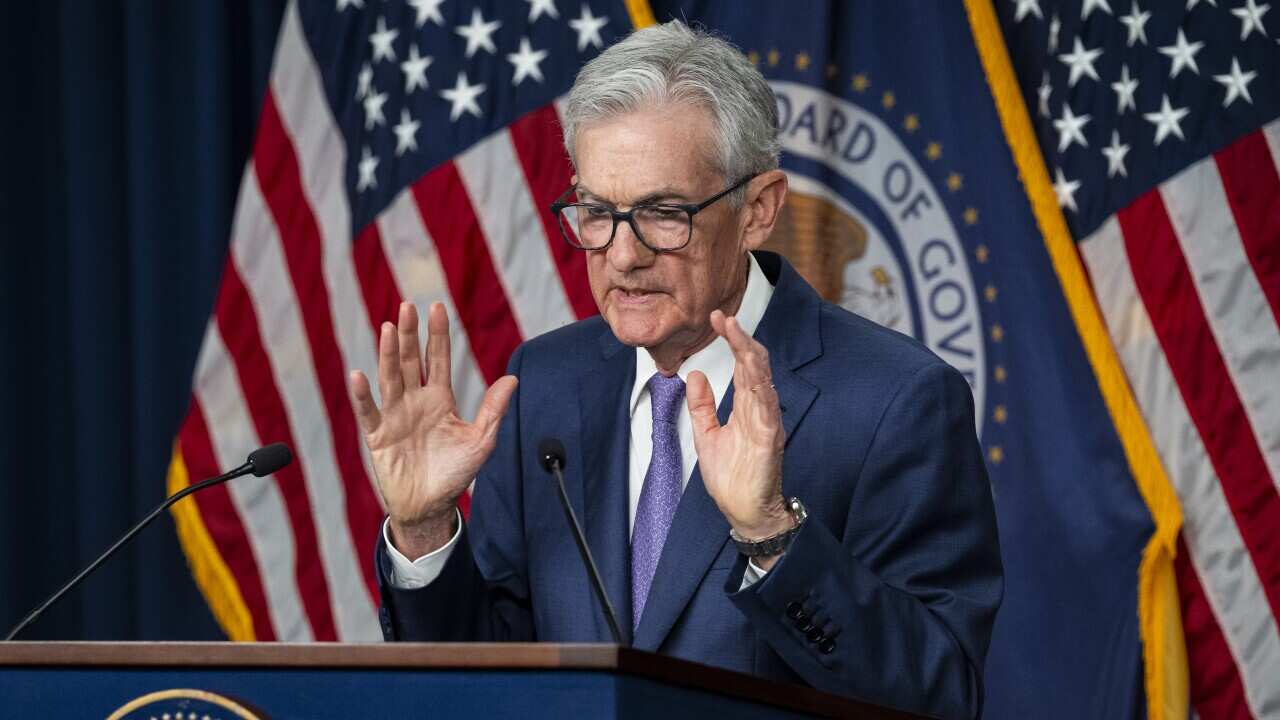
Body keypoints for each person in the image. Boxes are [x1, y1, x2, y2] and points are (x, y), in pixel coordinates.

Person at [348, 20, 1001, 720]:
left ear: (758, 211)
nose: (622, 255)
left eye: (662, 214)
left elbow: (939, 698)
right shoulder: (544, 385)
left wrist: (773, 537)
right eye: (596, 212)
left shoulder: (895, 402)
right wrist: (423, 533)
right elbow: (489, 676)